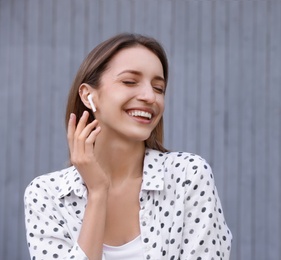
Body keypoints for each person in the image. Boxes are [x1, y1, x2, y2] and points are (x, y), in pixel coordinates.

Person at [24, 33, 232, 260]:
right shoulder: (46, 194)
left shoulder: (187, 175)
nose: (149, 97)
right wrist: (97, 193)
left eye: (159, 88)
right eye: (130, 82)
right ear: (88, 95)